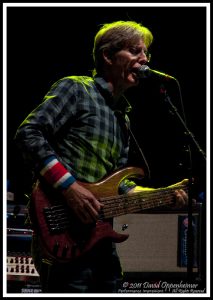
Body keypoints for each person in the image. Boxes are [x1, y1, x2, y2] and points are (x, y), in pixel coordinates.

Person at [14, 20, 188, 293]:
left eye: (146, 54)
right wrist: (70, 188)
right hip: (62, 231)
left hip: (98, 240)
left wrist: (165, 196)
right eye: (134, 51)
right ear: (107, 55)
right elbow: (28, 134)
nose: (144, 60)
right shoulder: (77, 89)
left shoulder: (123, 116)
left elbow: (120, 185)